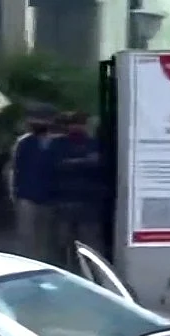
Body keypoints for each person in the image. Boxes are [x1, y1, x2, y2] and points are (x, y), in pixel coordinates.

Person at [47, 111, 104, 269]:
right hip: (64, 200)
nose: (76, 127)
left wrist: (73, 162)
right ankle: (66, 272)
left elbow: (99, 164)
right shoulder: (58, 144)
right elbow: (56, 165)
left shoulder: (94, 143)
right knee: (63, 243)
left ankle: (91, 273)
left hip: (88, 201)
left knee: (89, 245)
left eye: (80, 123)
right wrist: (84, 161)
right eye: (73, 123)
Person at [8, 105, 56, 262]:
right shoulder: (22, 143)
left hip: (49, 196)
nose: (38, 122)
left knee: (46, 239)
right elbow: (13, 169)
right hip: (26, 195)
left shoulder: (56, 143)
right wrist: (13, 193)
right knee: (26, 237)